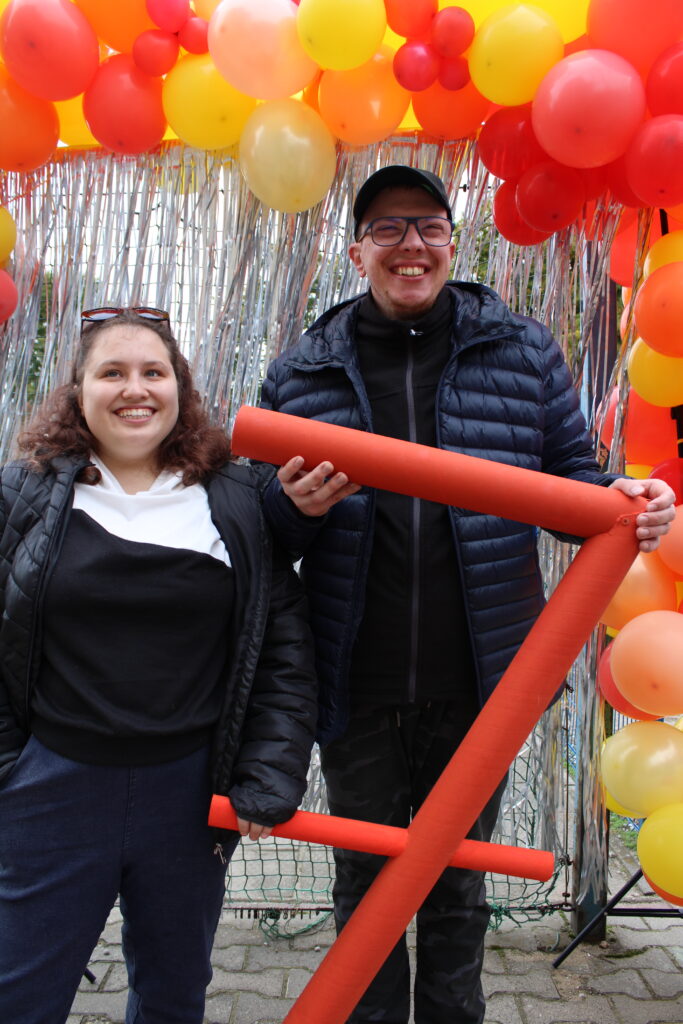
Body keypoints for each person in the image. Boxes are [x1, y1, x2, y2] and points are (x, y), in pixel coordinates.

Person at [259, 165, 676, 1024]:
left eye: (427, 226)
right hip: (355, 680)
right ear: (356, 252)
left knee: (457, 884)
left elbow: (572, 485)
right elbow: (261, 526)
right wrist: (289, 508)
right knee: (365, 878)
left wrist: (624, 500)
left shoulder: (520, 351)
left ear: (452, 244)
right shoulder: (303, 371)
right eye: (386, 228)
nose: (409, 244)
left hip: (482, 679)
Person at [0, 306, 318, 1024]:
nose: (135, 389)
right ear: (78, 391)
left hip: (189, 793)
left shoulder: (232, 498)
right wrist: (10, 773)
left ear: (180, 386)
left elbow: (282, 647)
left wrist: (269, 771)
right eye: (111, 372)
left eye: (153, 371)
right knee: (20, 995)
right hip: (51, 789)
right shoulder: (22, 495)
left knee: (174, 996)